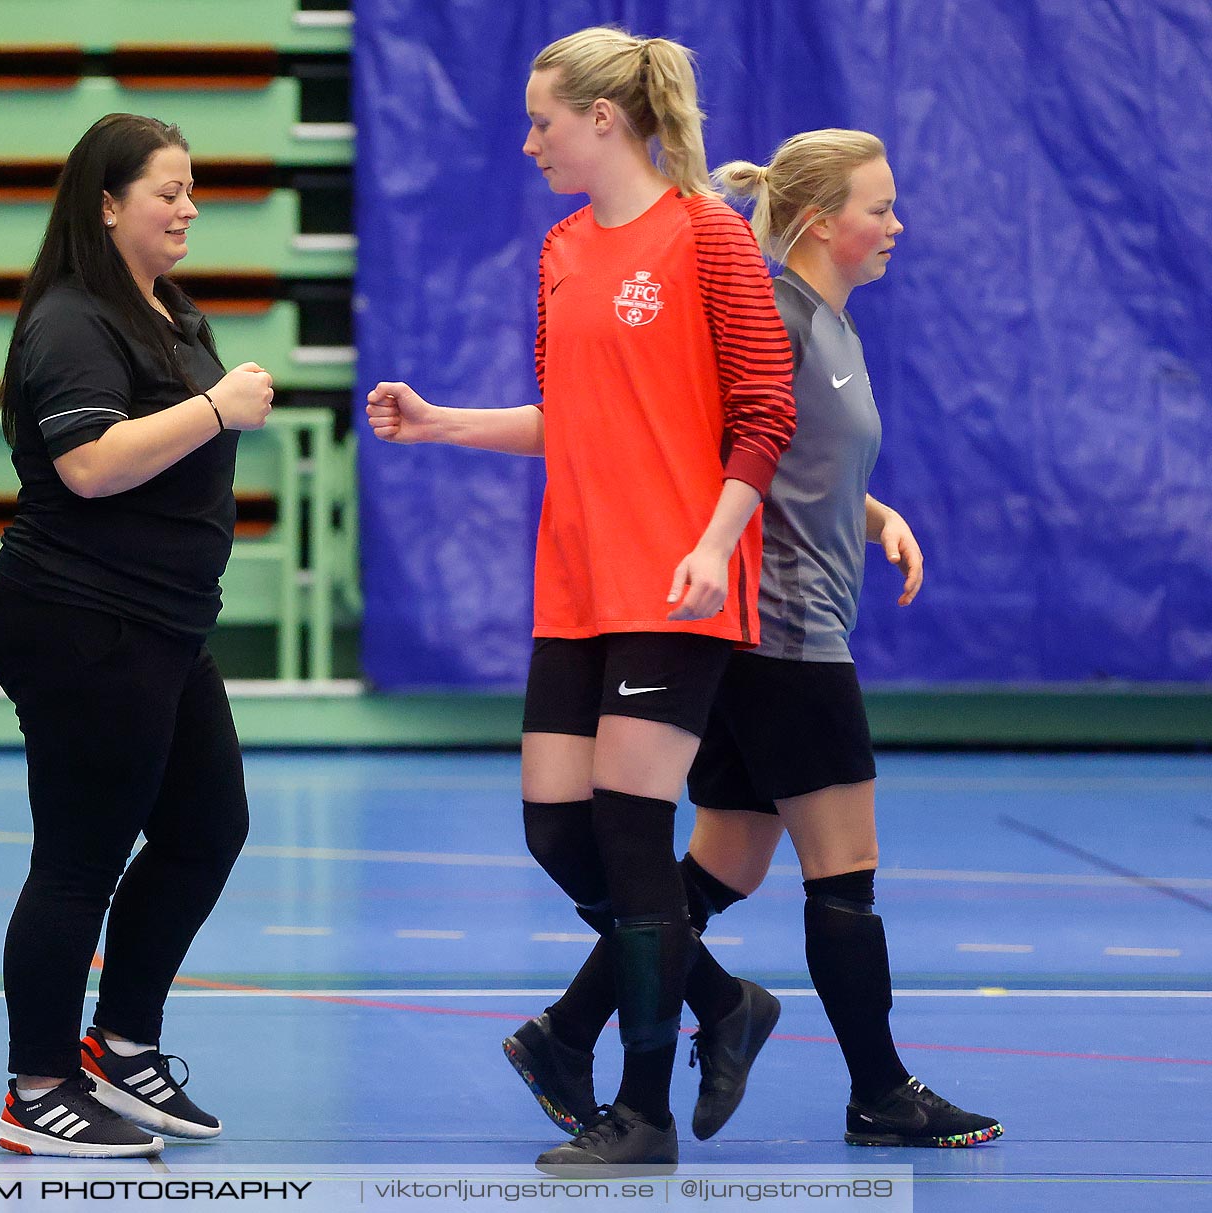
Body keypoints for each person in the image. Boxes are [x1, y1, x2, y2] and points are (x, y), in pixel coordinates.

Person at [366, 26, 795, 1168]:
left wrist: (715, 543)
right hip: (579, 580)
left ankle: (642, 1112)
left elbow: (763, 415)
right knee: (556, 823)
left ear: (605, 119)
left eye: (543, 120)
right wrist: (444, 421)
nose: (529, 140)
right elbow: (574, 420)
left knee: (629, 825)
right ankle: (722, 998)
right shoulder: (561, 249)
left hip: (680, 574)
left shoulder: (709, 235)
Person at [667, 130, 999, 1148]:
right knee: (844, 867)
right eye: (879, 208)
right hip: (786, 639)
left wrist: (874, 510)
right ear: (819, 223)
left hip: (776, 637)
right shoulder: (774, 316)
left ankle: (565, 1028)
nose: (897, 225)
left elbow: (798, 462)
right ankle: (881, 1091)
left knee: (720, 868)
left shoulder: (836, 330)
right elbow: (723, 452)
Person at [0, 113, 272, 1158]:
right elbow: (90, 464)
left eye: (193, 189)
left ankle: (123, 1040)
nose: (188, 207)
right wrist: (217, 406)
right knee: (79, 859)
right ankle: (38, 1085)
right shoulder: (71, 320)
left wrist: (209, 395)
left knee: (208, 826)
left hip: (165, 625)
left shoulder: (172, 315)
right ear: (107, 206)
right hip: (81, 620)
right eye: (167, 190)